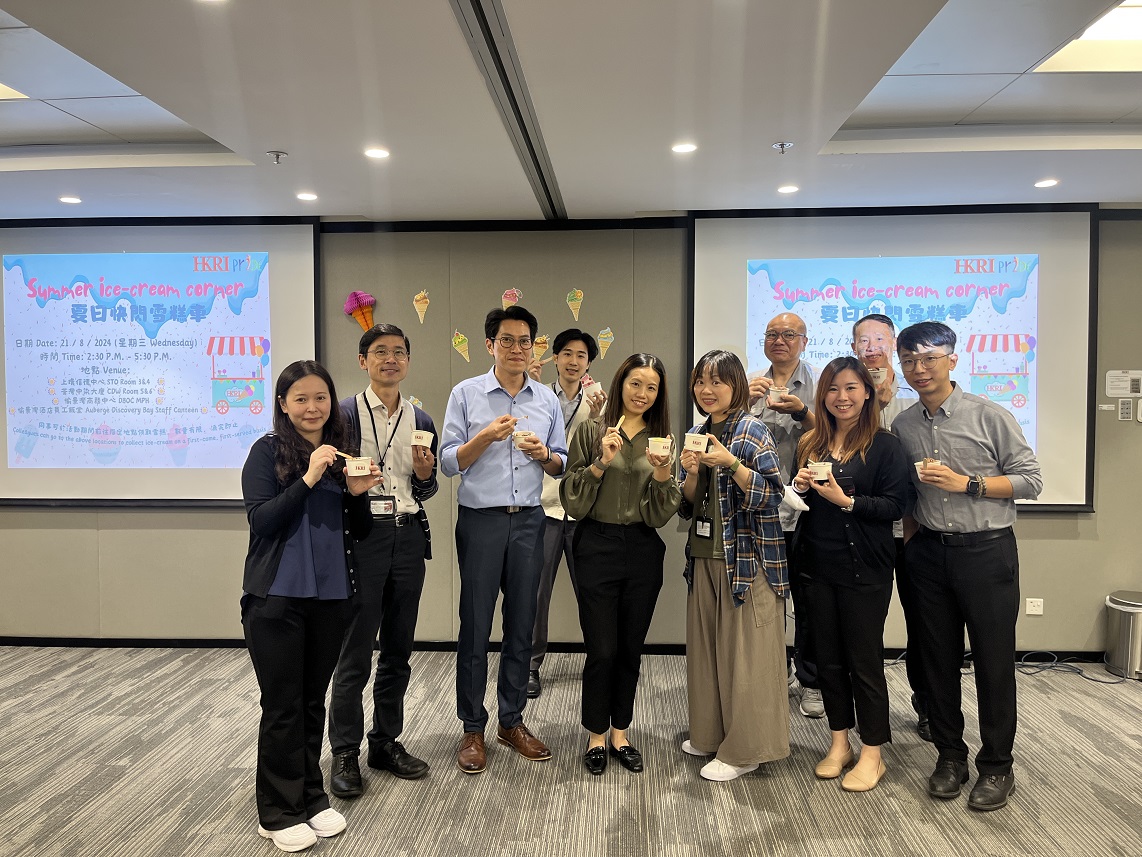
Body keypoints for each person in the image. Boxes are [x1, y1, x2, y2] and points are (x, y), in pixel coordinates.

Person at [892, 321, 1042, 812]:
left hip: (986, 552)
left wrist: (969, 484)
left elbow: (1030, 480)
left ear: (952, 360)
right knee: (937, 660)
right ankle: (950, 756)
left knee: (993, 662)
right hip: (928, 554)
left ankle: (997, 765)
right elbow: (908, 494)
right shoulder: (904, 425)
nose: (919, 368)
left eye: (929, 358)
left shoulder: (989, 415)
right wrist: (913, 540)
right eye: (909, 361)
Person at [240, 361, 380, 853]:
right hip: (277, 599)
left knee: (312, 701)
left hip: (332, 597)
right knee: (283, 705)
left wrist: (358, 495)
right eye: (300, 399)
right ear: (283, 404)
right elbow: (262, 520)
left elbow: (360, 530)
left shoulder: (342, 456)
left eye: (321, 397)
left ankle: (310, 797)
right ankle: (277, 812)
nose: (313, 407)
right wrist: (308, 476)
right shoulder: (266, 452)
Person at [439, 305, 568, 775]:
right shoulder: (466, 394)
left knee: (521, 622)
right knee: (475, 624)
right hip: (481, 521)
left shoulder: (546, 399)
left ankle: (511, 721)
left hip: (530, 521)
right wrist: (486, 437)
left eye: (525, 341)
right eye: (507, 340)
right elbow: (448, 462)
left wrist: (545, 453)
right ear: (490, 345)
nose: (517, 349)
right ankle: (472, 727)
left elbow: (562, 463)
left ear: (534, 347)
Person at [326, 324, 439, 799]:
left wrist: (426, 474)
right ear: (363, 360)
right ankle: (345, 752)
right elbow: (328, 478)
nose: (390, 359)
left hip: (408, 537)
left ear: (408, 361)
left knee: (397, 650)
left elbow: (426, 488)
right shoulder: (343, 415)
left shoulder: (421, 418)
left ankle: (385, 742)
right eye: (380, 352)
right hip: (364, 538)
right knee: (354, 651)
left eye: (398, 352)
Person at [790, 356, 910, 793]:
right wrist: (800, 488)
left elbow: (896, 506)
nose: (841, 397)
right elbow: (800, 504)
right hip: (816, 566)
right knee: (828, 659)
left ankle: (873, 752)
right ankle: (839, 743)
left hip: (865, 569)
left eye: (851, 388)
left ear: (868, 392)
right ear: (822, 395)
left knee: (864, 661)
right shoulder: (811, 442)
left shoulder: (885, 445)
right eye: (833, 388)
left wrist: (847, 501)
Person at [560, 354, 680, 775]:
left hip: (643, 548)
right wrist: (600, 463)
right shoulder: (592, 430)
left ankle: (620, 733)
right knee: (602, 649)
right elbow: (572, 500)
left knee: (631, 648)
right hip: (596, 544)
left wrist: (663, 473)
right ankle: (595, 734)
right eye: (635, 383)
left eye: (651, 387)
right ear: (620, 383)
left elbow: (660, 514)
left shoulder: (662, 440)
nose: (642, 394)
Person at [678, 349, 789, 782]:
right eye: (700, 381)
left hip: (748, 559)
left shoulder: (753, 430)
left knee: (747, 657)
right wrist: (690, 474)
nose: (707, 390)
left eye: (717, 381)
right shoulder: (696, 432)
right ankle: (710, 734)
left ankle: (746, 751)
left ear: (736, 385)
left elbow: (772, 495)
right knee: (706, 651)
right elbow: (688, 505)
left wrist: (732, 464)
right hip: (703, 558)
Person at [851, 313, 929, 740]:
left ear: (894, 346)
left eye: (879, 339)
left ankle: (928, 703)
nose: (871, 348)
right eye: (863, 341)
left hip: (913, 532)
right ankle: (860, 711)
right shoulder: (845, 400)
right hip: (864, 533)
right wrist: (872, 403)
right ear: (853, 347)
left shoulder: (916, 401)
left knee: (925, 623)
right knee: (864, 628)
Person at [747, 311, 823, 718]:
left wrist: (802, 413)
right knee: (765, 601)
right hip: (762, 510)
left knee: (809, 602)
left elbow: (834, 434)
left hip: (808, 510)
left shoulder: (822, 384)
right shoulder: (750, 382)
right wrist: (743, 402)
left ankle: (811, 681)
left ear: (804, 341)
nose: (779, 340)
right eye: (772, 334)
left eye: (789, 334)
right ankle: (774, 672)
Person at [526, 329, 606, 698]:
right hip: (543, 505)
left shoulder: (598, 398)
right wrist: (528, 389)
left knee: (591, 591)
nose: (574, 361)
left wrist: (600, 418)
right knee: (536, 592)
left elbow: (605, 451)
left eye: (581, 356)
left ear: (589, 363)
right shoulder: (536, 394)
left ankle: (600, 663)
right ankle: (529, 665)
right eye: (567, 354)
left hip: (583, 510)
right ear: (555, 358)